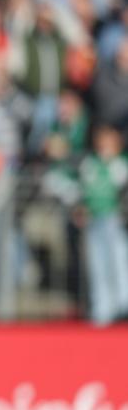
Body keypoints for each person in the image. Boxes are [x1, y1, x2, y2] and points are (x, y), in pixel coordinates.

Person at [77, 126, 128, 326]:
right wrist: (79, 207)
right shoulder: (90, 164)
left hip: (115, 220)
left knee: (119, 261)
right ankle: (102, 308)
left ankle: (123, 303)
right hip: (94, 219)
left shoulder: (121, 164)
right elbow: (81, 189)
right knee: (97, 264)